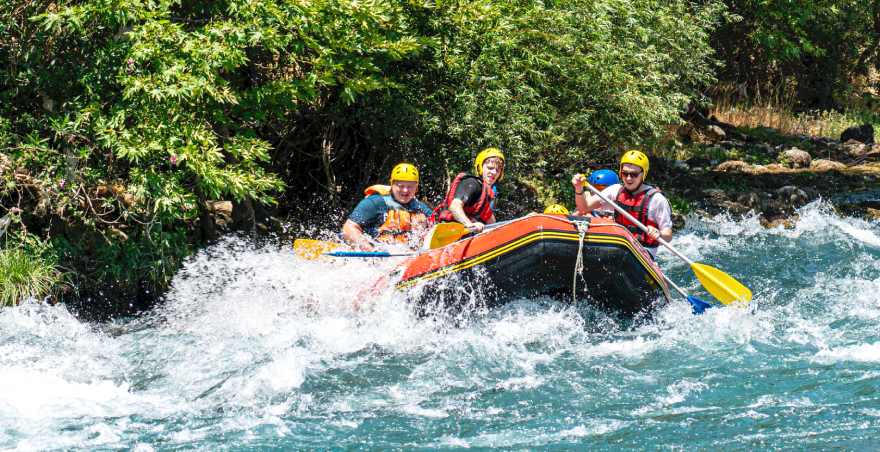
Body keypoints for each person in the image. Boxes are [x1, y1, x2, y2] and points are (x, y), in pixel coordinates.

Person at [571, 150, 673, 257]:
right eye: (625, 173)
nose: (628, 178)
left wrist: (659, 234)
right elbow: (584, 208)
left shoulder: (657, 200)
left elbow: (668, 236)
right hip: (618, 245)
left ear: (643, 174)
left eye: (634, 174)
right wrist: (578, 188)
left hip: (644, 251)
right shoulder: (615, 190)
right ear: (620, 172)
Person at [342, 163, 433, 250]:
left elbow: (436, 226)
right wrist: (369, 249)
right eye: (400, 186)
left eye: (410, 186)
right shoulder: (374, 202)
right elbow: (348, 228)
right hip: (374, 254)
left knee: (422, 219)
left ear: (416, 188)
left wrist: (444, 219)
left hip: (403, 253)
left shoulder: (419, 207)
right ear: (392, 184)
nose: (405, 190)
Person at [431, 147, 505, 233]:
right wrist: (470, 225)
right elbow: (454, 206)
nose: (494, 172)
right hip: (446, 232)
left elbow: (493, 224)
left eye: (498, 170)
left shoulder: (487, 195)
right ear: (480, 168)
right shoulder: (472, 183)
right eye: (490, 168)